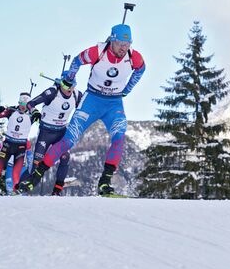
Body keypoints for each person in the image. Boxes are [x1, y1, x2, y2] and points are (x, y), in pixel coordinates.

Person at [18, 23, 145, 196]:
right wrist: (70, 77)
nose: (124, 48)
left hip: (114, 103)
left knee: (119, 137)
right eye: (121, 44)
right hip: (91, 100)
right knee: (68, 141)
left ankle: (105, 182)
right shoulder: (97, 52)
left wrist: (127, 90)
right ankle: (35, 177)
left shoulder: (134, 57)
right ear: (112, 41)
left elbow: (141, 69)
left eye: (127, 44)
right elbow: (77, 61)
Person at [22, 73, 82, 195]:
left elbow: (88, 107)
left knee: (65, 158)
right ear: (60, 83)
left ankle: (57, 191)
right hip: (46, 133)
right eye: (65, 85)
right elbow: (30, 104)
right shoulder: (52, 92)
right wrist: (35, 112)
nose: (69, 89)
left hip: (61, 133)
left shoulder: (76, 94)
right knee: (37, 163)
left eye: (72, 85)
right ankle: (21, 187)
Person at [0, 93, 41, 195]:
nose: (23, 106)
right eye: (21, 103)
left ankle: (16, 198)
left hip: (21, 147)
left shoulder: (31, 114)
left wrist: (38, 116)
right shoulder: (11, 111)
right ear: (19, 102)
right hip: (8, 145)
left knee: (16, 175)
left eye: (26, 104)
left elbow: (40, 122)